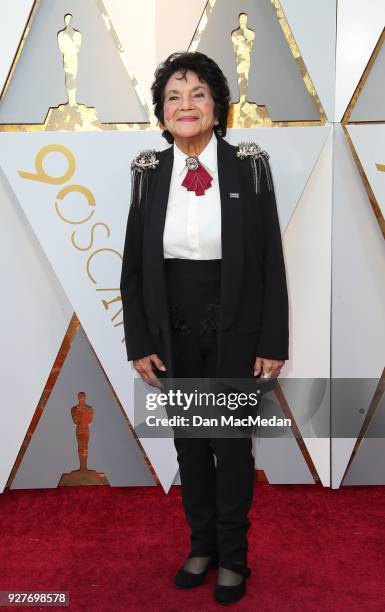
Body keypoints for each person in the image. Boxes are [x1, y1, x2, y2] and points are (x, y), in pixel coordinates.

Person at [120, 51, 289, 605]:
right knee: (190, 445)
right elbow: (133, 265)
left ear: (217, 108)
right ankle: (202, 546)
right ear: (161, 112)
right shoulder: (148, 171)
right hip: (172, 329)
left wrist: (272, 340)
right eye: (173, 96)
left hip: (235, 328)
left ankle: (234, 558)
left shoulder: (249, 165)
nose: (184, 104)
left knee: (232, 446)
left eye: (197, 94)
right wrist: (139, 342)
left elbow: (269, 259)